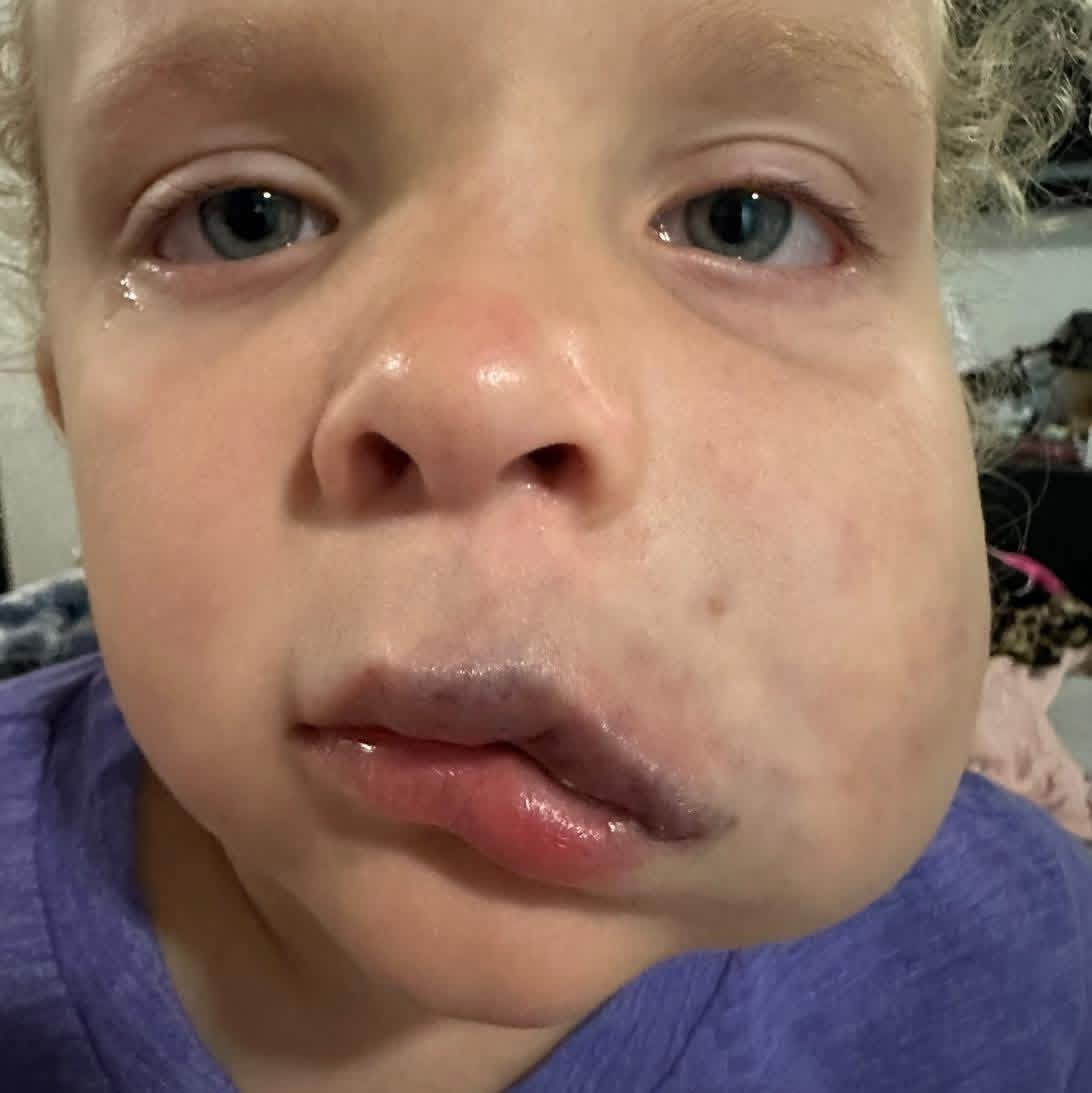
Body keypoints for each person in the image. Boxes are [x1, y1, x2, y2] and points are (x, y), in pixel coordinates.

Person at [1, 0, 1090, 1089]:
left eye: (744, 220)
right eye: (246, 216)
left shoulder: (1041, 967)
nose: (479, 388)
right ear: (63, 389)